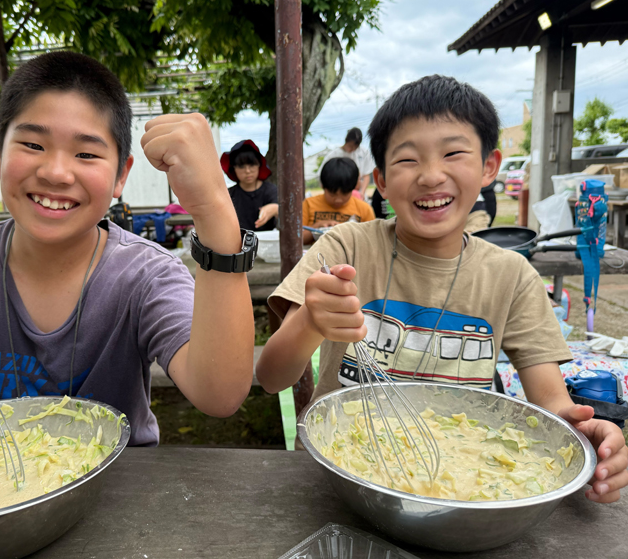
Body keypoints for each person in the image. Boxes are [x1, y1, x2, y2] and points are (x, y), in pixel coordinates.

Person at [0, 52, 255, 448]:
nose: (57, 172)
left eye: (86, 154)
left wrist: (215, 210)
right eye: (33, 145)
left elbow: (219, 394)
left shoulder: (148, 275)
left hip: (123, 492)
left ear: (120, 175)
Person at [256, 75, 628, 503]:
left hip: (469, 490)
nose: (431, 176)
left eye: (453, 153)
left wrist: (584, 436)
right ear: (380, 179)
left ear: (489, 166)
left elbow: (551, 403)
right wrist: (310, 320)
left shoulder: (511, 277)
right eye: (408, 160)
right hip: (344, 481)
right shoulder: (347, 248)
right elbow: (271, 377)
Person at [302, 157, 375, 245]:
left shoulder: (364, 209)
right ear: (322, 186)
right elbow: (297, 240)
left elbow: (372, 242)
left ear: (354, 187)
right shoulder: (308, 204)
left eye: (345, 194)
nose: (338, 200)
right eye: (332, 194)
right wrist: (317, 226)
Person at [222, 140, 278, 231]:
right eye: (241, 166)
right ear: (234, 169)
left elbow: (288, 214)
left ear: (259, 165)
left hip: (267, 241)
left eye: (252, 165)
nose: (248, 171)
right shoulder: (229, 194)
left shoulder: (271, 190)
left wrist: (275, 208)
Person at [318, 127, 375, 200]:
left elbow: (366, 175)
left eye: (355, 148)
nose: (351, 149)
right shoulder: (333, 155)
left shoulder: (363, 153)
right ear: (346, 141)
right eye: (350, 146)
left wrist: (362, 193)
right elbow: (322, 177)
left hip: (358, 196)